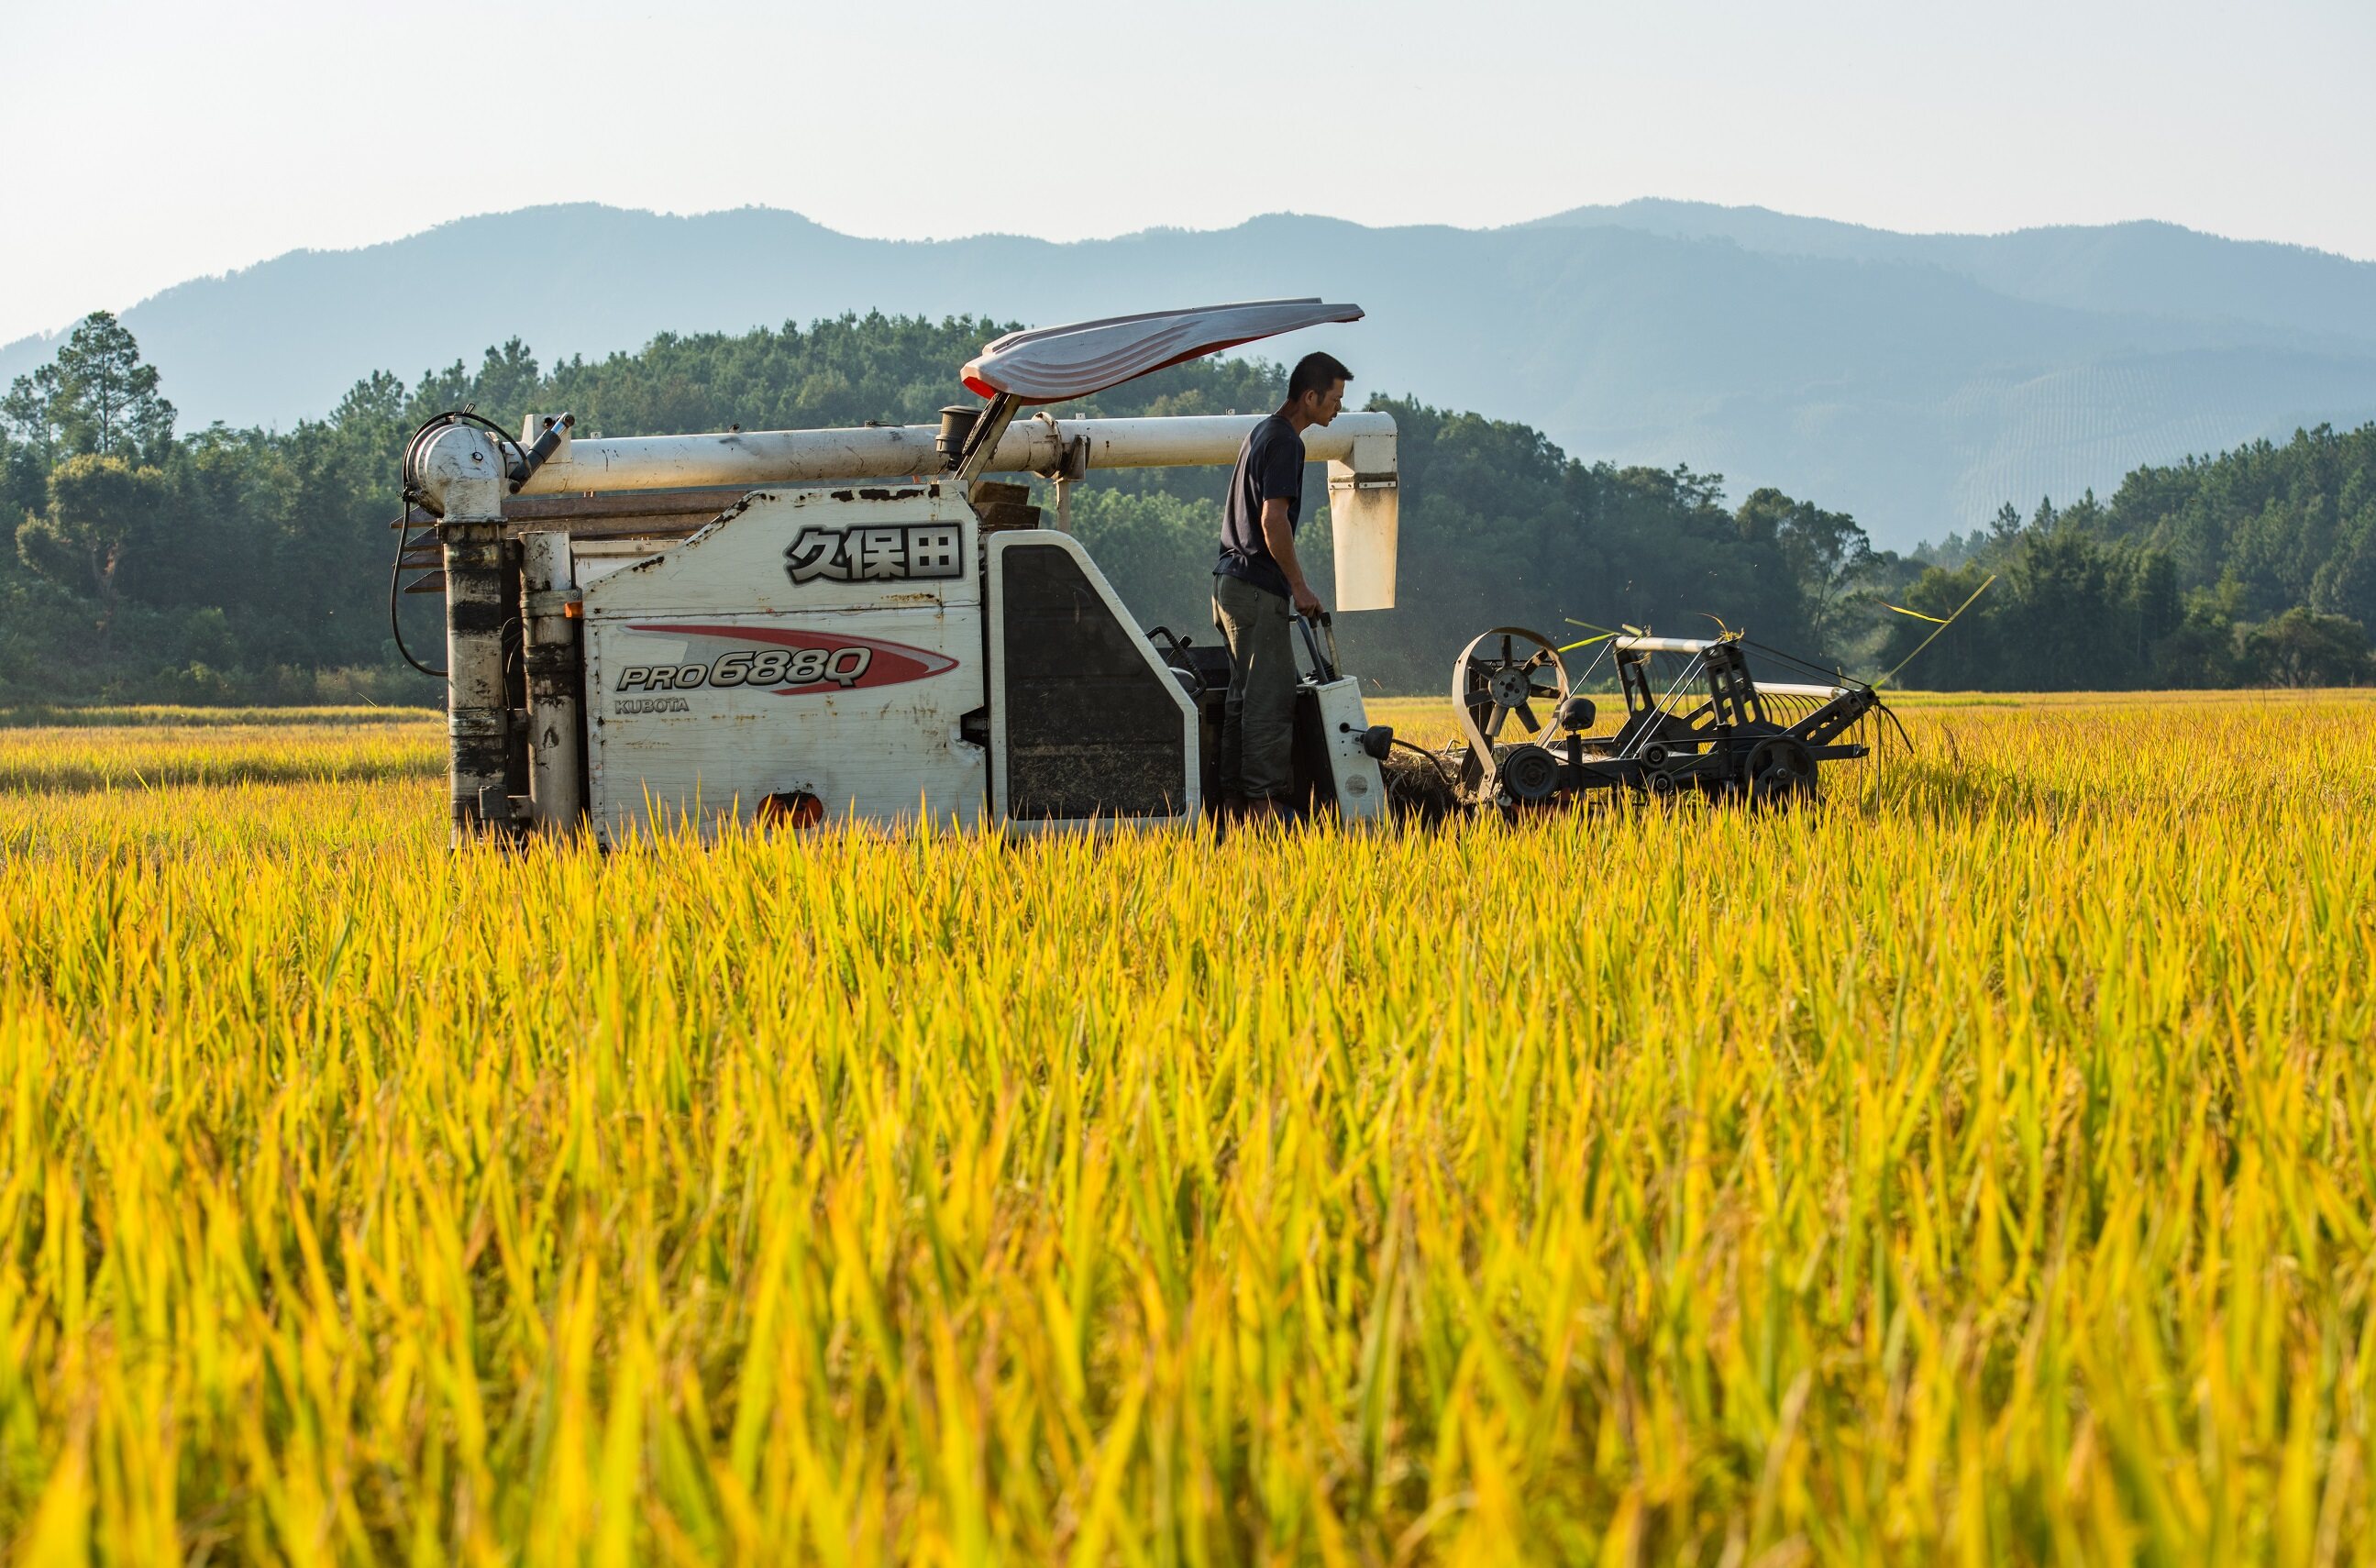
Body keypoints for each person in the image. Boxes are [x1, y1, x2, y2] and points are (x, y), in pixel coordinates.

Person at [1211, 350, 1352, 823]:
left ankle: (1232, 801)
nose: (1338, 409)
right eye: (1334, 399)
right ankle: (1262, 804)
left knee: (1242, 698)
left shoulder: (1260, 432)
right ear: (1310, 397)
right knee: (1271, 699)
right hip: (1257, 587)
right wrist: (1300, 586)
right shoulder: (1288, 442)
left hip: (1229, 584)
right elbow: (1274, 521)